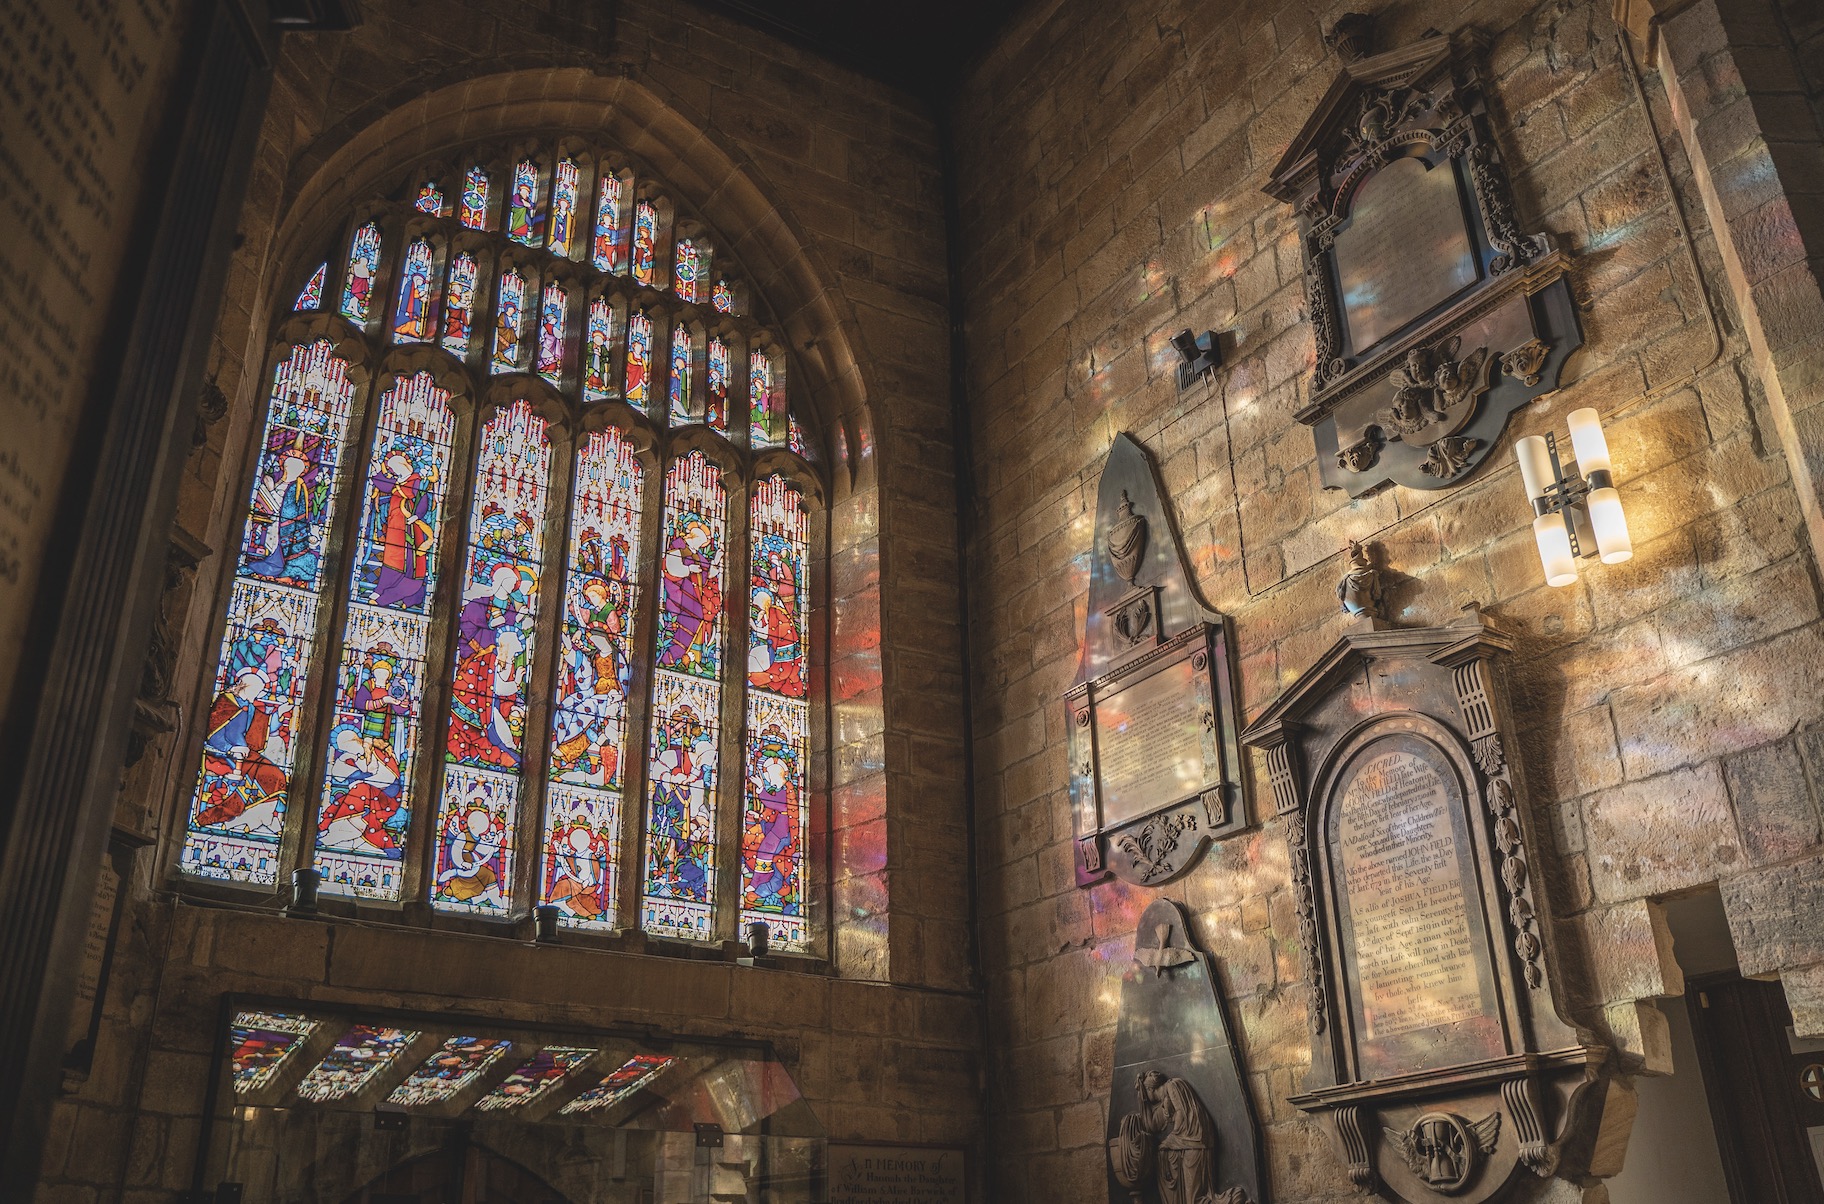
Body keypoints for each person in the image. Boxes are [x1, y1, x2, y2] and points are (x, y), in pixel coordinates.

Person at [195, 664, 289, 828]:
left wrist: (279, 714)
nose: (257, 695)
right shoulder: (225, 702)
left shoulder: (249, 706)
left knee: (277, 775)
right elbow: (213, 732)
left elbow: (262, 725)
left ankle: (263, 816)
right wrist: (230, 748)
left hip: (245, 754)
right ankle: (238, 815)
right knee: (270, 775)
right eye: (256, 691)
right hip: (223, 753)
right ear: (245, 687)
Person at [367, 448, 437, 609]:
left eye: (397, 466)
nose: (396, 470)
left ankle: (402, 594)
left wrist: (417, 515)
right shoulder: (399, 482)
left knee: (406, 558)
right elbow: (386, 485)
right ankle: (382, 588)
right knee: (391, 555)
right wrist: (378, 470)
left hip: (408, 527)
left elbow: (422, 499)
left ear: (405, 464)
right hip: (394, 525)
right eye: (393, 469)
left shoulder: (417, 481)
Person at [246, 439, 319, 585]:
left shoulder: (297, 487)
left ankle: (276, 566)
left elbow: (292, 509)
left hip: (286, 528)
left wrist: (271, 491)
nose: (288, 469)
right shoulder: (283, 483)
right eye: (287, 466)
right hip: (273, 523)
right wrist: (269, 489)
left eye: (293, 467)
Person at [657, 517, 721, 673]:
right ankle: (670, 659)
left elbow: (705, 578)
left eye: (702, 542)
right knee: (680, 627)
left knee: (697, 622)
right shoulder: (678, 549)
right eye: (699, 540)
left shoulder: (701, 558)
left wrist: (716, 563)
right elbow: (670, 568)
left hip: (694, 599)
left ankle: (692, 659)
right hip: (680, 599)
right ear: (691, 537)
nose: (700, 544)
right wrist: (688, 570)